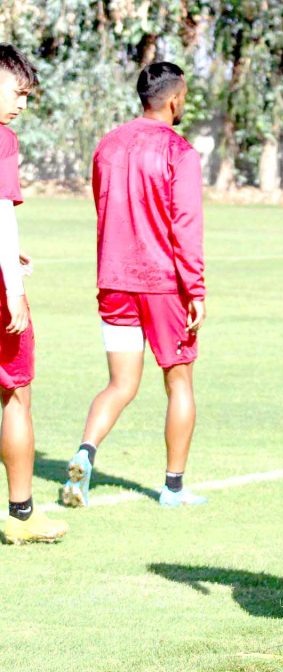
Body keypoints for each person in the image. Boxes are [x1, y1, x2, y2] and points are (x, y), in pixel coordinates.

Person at [60, 61, 207, 509]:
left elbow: (103, 206)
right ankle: (173, 488)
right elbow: (186, 225)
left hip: (114, 278)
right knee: (179, 383)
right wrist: (195, 289)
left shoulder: (108, 145)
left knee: (120, 384)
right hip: (163, 283)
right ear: (175, 99)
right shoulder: (179, 152)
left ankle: (85, 452)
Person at [0, 44, 67, 544]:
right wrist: (14, 283)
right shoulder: (3, 140)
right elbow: (1, 212)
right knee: (16, 394)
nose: (22, 104)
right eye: (17, 92)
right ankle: (21, 516)